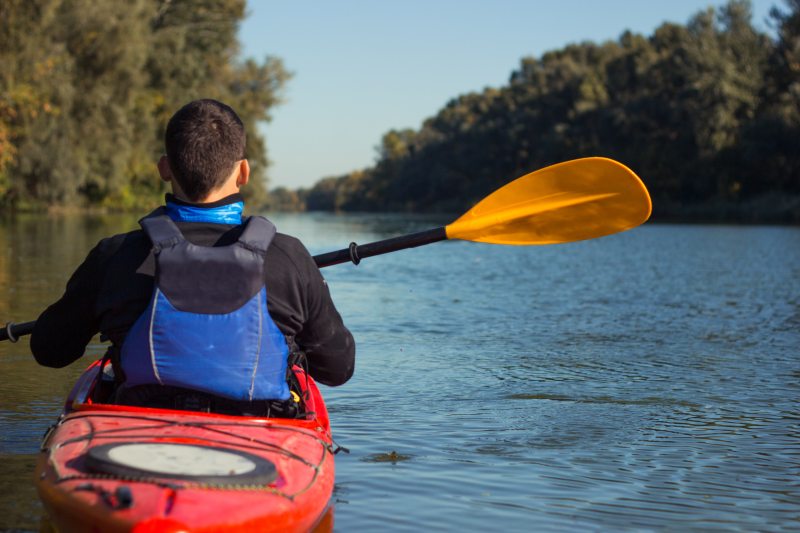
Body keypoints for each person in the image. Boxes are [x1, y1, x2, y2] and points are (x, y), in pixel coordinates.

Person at [30, 99, 355, 415]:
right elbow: (337, 369)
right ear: (243, 172)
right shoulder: (290, 257)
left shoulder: (114, 255)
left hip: (136, 428)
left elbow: (50, 350)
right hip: (260, 431)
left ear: (164, 168)